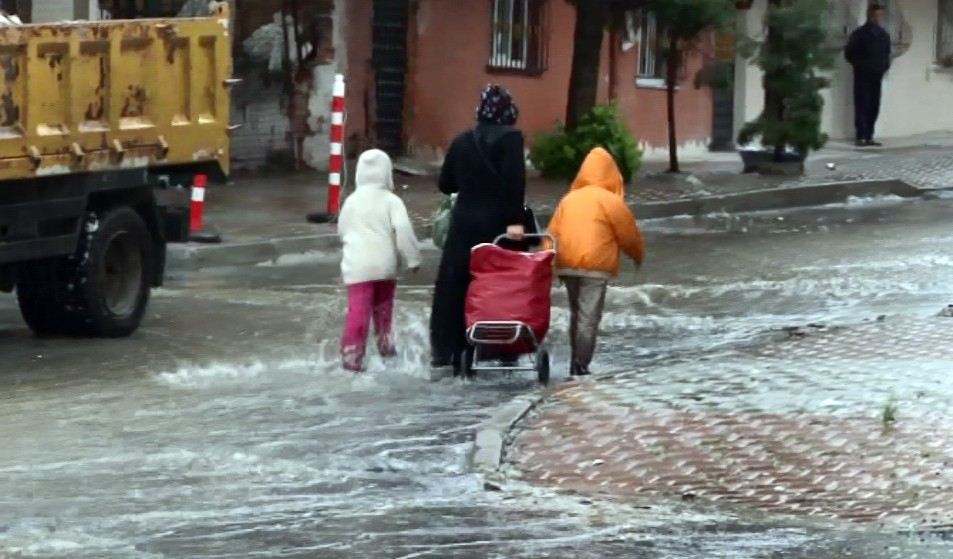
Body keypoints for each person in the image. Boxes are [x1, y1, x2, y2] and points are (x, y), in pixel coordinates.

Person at [430, 85, 527, 371]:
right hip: (499, 227)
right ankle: (499, 345)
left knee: (454, 286)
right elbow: (514, 184)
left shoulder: (462, 141)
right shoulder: (511, 139)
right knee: (501, 287)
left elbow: (446, 184)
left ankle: (448, 351)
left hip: (463, 226)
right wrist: (515, 223)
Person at [546, 147, 644, 376]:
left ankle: (575, 361)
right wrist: (637, 255)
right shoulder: (610, 201)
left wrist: (545, 263)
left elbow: (552, 232)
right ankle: (581, 366)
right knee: (588, 316)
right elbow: (629, 235)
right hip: (596, 267)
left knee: (575, 313)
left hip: (566, 263)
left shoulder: (568, 199)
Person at [338, 149, 421, 372]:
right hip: (385, 266)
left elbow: (342, 229)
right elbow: (403, 229)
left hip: (357, 267)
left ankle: (352, 357)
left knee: (358, 311)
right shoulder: (391, 201)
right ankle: (387, 351)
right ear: (387, 173)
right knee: (384, 311)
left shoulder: (351, 202)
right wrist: (412, 258)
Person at [845, 4, 891, 147]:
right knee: (862, 103)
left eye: (880, 15)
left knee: (874, 104)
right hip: (863, 74)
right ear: (870, 14)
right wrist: (860, 65)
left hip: (876, 74)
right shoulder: (860, 33)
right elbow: (849, 53)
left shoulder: (883, 35)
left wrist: (883, 67)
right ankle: (861, 136)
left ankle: (869, 135)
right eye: (877, 14)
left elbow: (887, 54)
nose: (878, 17)